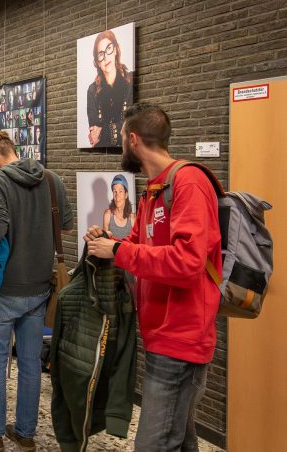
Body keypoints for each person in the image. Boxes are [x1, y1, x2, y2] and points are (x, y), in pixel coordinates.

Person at [84, 103, 221, 451]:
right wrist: (108, 243)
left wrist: (117, 252)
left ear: (133, 139)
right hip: (162, 336)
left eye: (120, 139)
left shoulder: (189, 182)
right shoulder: (153, 190)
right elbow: (135, 245)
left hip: (181, 342)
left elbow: (188, 261)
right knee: (181, 440)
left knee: (154, 444)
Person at [0, 131, 72, 452]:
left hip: (4, 288)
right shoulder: (52, 179)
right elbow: (67, 225)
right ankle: (26, 433)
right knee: (30, 364)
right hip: (41, 287)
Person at [86, 29, 134, 148]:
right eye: (100, 54)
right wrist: (116, 129)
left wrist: (103, 131)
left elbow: (132, 125)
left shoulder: (131, 81)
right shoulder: (92, 91)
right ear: (97, 62)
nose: (106, 57)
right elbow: (95, 132)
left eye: (109, 48)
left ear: (116, 49)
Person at [102, 174, 135, 240]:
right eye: (115, 191)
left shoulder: (133, 219)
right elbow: (104, 242)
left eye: (120, 191)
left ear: (126, 195)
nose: (117, 195)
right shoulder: (108, 215)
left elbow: (135, 245)